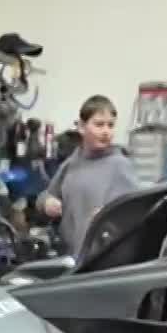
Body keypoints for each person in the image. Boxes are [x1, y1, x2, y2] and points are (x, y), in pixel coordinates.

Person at [37, 96, 139, 256]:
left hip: (102, 260)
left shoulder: (121, 166)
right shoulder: (72, 163)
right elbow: (46, 196)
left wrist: (109, 216)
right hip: (71, 257)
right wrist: (46, 203)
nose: (106, 131)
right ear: (82, 127)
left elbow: (135, 214)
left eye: (110, 125)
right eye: (99, 124)